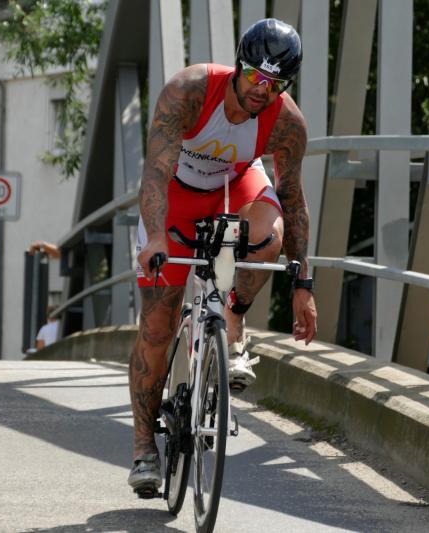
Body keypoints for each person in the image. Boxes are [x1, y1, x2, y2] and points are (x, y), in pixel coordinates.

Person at [128, 18, 318, 495]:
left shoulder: (287, 122)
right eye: (254, 76)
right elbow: (155, 173)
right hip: (176, 195)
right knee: (157, 328)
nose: (262, 90)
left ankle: (233, 318)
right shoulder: (190, 91)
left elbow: (293, 200)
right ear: (238, 66)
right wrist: (156, 238)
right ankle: (144, 447)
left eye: (275, 84)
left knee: (267, 238)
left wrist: (303, 284)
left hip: (235, 186)